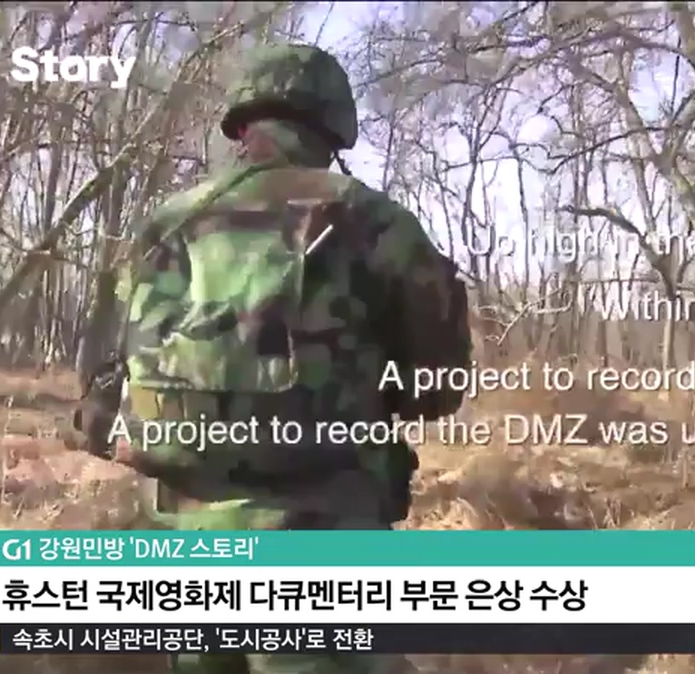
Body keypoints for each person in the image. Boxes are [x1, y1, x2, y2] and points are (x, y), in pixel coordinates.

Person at [67, 43, 472, 674]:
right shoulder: (374, 221)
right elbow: (437, 388)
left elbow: (98, 389)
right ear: (334, 127)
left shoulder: (165, 224)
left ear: (241, 126)